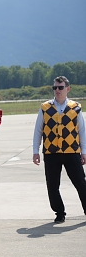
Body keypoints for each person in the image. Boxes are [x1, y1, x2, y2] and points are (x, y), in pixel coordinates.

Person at [32, 76, 86, 223]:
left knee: (81, 183)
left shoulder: (75, 107)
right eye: (55, 87)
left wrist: (84, 151)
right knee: (52, 185)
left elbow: (82, 131)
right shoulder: (45, 107)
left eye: (60, 87)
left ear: (67, 89)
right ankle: (59, 212)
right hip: (51, 152)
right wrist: (35, 151)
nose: (57, 90)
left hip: (72, 151)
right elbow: (38, 130)